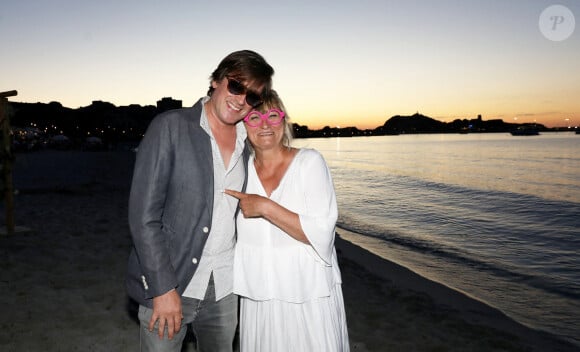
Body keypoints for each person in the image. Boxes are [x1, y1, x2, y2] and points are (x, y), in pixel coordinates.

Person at [126, 50, 274, 352]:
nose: (241, 100)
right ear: (217, 80)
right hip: (173, 280)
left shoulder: (249, 141)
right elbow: (143, 217)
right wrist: (163, 288)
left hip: (225, 286)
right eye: (236, 86)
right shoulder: (170, 127)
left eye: (253, 97)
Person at [225, 91, 350, 351]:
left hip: (307, 293)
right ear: (243, 125)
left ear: (284, 121)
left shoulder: (309, 163)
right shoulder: (239, 170)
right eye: (254, 117)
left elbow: (323, 231)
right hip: (260, 295)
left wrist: (265, 207)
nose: (265, 124)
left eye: (273, 115)